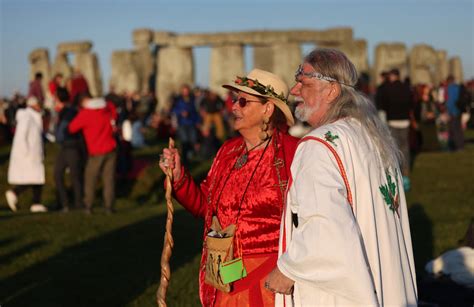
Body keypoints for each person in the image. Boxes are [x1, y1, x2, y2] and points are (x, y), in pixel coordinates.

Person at [265, 48, 417, 306]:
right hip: (384, 276)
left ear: (332, 90)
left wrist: (288, 269)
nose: (294, 90)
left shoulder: (318, 145)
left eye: (304, 82)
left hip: (341, 292)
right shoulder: (372, 136)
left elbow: (324, 225)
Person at [159, 69, 299, 306]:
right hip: (224, 274)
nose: (234, 107)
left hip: (270, 282)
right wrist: (179, 177)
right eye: (235, 100)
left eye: (243, 101)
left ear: (268, 108)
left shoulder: (294, 153)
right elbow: (206, 206)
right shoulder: (228, 151)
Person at [68, 93, 117, 214]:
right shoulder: (106, 110)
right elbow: (114, 112)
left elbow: (71, 128)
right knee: (109, 179)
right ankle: (109, 206)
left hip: (96, 152)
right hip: (111, 149)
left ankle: (88, 206)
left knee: (90, 179)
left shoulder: (86, 114)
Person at [5, 97, 48, 213]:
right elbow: (21, 136)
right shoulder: (27, 117)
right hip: (29, 154)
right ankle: (16, 193)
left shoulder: (33, 117)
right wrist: (25, 153)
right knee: (35, 178)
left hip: (34, 153)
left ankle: (35, 203)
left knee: (37, 178)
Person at [380, 68, 415, 191]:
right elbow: (412, 102)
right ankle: (406, 171)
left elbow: (383, 103)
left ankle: (397, 170)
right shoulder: (406, 87)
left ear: (392, 76)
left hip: (393, 120)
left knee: (394, 147)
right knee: (405, 147)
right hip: (404, 120)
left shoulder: (388, 88)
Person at [53, 87, 85, 212]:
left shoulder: (69, 111)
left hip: (71, 146)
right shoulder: (66, 111)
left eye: (55, 97)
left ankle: (77, 203)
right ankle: (64, 202)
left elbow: (62, 132)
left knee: (75, 176)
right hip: (66, 147)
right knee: (58, 174)